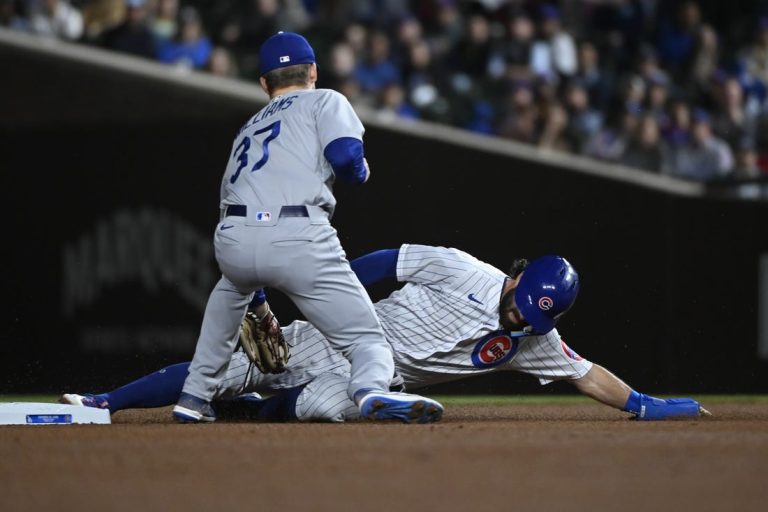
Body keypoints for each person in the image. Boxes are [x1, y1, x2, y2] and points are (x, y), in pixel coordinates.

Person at [62, 245, 709, 423]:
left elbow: (587, 374)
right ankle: (104, 403)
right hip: (344, 336)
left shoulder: (534, 338)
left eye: (534, 318)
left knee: (320, 408)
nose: (519, 319)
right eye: (520, 305)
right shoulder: (461, 268)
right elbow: (385, 263)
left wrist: (649, 404)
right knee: (227, 370)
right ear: (515, 277)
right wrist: (327, 297)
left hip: (378, 379)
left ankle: (250, 413)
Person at [171, 32, 443, 424]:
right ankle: (371, 389)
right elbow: (346, 158)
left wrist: (255, 288)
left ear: (264, 83)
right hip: (296, 232)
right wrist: (361, 171)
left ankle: (194, 396)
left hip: (234, 235)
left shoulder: (247, 127)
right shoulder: (326, 99)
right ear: (313, 71)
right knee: (366, 339)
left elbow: (231, 194)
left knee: (229, 292)